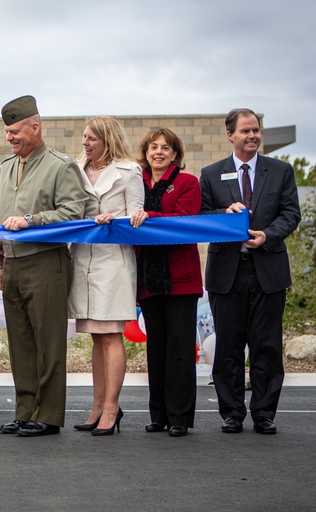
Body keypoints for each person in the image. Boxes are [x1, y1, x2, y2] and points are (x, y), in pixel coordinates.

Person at [200, 108, 301, 435]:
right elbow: (201, 217)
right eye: (245, 131)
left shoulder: (281, 171)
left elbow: (290, 214)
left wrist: (268, 235)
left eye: (256, 130)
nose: (253, 136)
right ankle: (231, 413)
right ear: (231, 135)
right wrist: (224, 214)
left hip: (268, 271)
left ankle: (263, 414)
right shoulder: (212, 173)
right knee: (228, 346)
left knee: (267, 346)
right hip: (227, 273)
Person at [0, 96, 87, 437]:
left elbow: (78, 211)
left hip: (46, 261)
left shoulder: (61, 166)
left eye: (15, 131)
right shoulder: (4, 168)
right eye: (7, 132)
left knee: (48, 343)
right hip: (13, 265)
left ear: (35, 127)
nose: (10, 138)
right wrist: (1, 263)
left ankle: (47, 415)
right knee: (20, 343)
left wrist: (33, 220)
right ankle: (25, 409)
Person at [67, 117, 143, 436]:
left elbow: (137, 216)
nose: (85, 143)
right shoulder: (75, 169)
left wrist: (117, 218)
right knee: (97, 338)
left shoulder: (130, 170)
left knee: (112, 335)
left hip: (114, 263)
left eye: (92, 138)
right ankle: (97, 405)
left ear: (107, 140)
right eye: (84, 137)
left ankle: (112, 407)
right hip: (83, 261)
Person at [129, 128, 203, 437]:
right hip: (148, 278)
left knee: (180, 350)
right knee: (156, 349)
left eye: (166, 148)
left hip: (180, 279)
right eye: (153, 147)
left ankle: (180, 417)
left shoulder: (188, 183)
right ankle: (158, 415)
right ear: (145, 153)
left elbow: (182, 223)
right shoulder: (135, 184)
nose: (159, 152)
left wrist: (148, 215)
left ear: (175, 154)